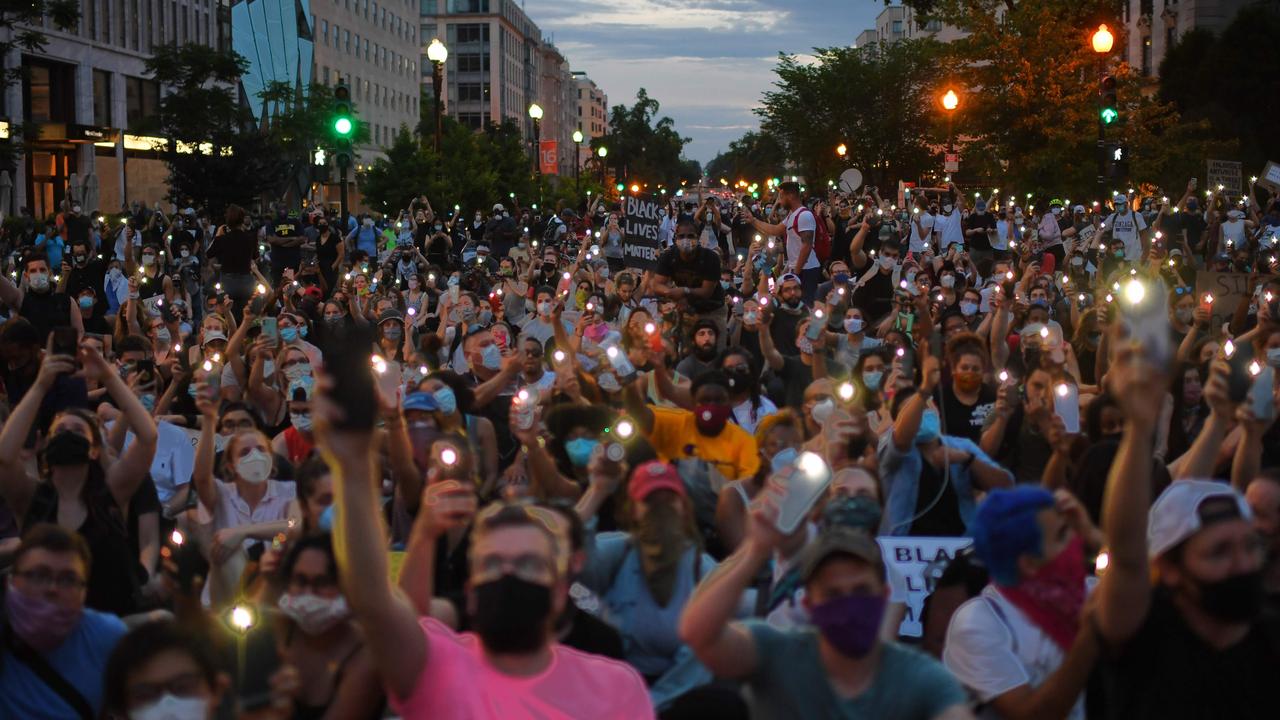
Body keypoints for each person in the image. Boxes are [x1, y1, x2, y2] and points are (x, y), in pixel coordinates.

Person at [315, 375, 655, 719]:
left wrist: (593, 487)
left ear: (561, 585)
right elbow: (376, 604)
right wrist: (353, 465)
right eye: (491, 564)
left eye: (528, 564)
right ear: (470, 588)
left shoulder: (614, 686)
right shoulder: (436, 667)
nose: (508, 574)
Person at [1093, 347, 1280, 719]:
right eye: (1218, 552)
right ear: (1170, 567)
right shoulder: (1144, 634)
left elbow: (1226, 491)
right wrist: (1140, 428)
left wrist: (1243, 429)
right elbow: (1128, 551)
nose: (1241, 563)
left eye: (1248, 546)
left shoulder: (1268, 634)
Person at [679, 516, 972, 720]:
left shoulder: (922, 678)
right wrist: (755, 551)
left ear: (884, 595)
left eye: (860, 590)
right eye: (834, 594)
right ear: (809, 604)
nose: (849, 604)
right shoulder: (775, 652)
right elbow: (697, 632)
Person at [943, 487, 1102, 720]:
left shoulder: (1084, 592)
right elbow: (1032, 715)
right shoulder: (979, 624)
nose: (1076, 540)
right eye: (1062, 535)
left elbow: (1152, 587)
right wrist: (1089, 634)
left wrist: (1095, 538)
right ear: (1028, 563)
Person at [1, 524, 127, 720]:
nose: (52, 588)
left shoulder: (107, 637)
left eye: (68, 579)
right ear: (11, 581)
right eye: (38, 575)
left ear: (84, 591)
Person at [652, 216, 726, 347]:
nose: (686, 240)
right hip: (687, 309)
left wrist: (684, 291)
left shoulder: (710, 257)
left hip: (713, 308)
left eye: (690, 236)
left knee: (714, 351)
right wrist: (670, 292)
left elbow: (707, 292)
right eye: (682, 236)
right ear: (675, 238)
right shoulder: (668, 257)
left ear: (697, 238)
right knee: (687, 349)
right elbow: (656, 284)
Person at [743, 182, 822, 303]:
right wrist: (753, 221)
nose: (779, 201)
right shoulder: (792, 215)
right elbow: (775, 230)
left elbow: (807, 246)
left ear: (790, 195)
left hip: (806, 270)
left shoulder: (804, 215)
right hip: (798, 269)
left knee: (805, 305)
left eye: (781, 196)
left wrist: (796, 273)